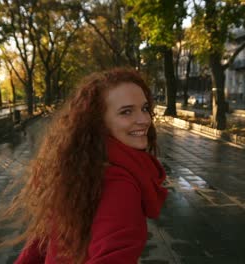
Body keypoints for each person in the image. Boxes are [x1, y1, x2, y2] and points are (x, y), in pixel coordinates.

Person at [11, 68, 168, 263]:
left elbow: (42, 243)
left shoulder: (79, 167)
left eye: (145, 108)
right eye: (126, 112)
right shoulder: (120, 184)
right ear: (98, 122)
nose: (144, 120)